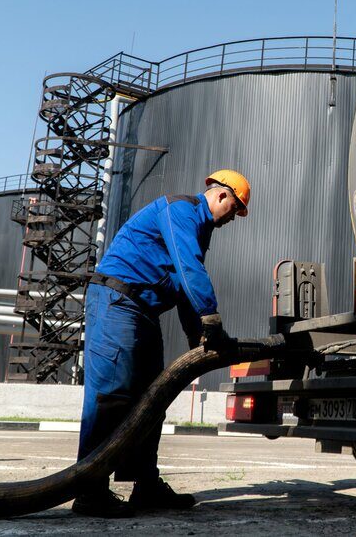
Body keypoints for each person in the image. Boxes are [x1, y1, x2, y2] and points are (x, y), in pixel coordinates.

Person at [72, 169, 250, 518]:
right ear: (222, 195)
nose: (233, 218)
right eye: (235, 209)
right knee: (110, 396)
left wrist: (198, 339)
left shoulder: (199, 230)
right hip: (116, 302)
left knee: (153, 396)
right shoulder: (180, 210)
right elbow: (189, 270)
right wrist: (211, 318)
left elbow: (183, 289)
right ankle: (89, 491)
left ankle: (145, 485)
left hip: (143, 312)